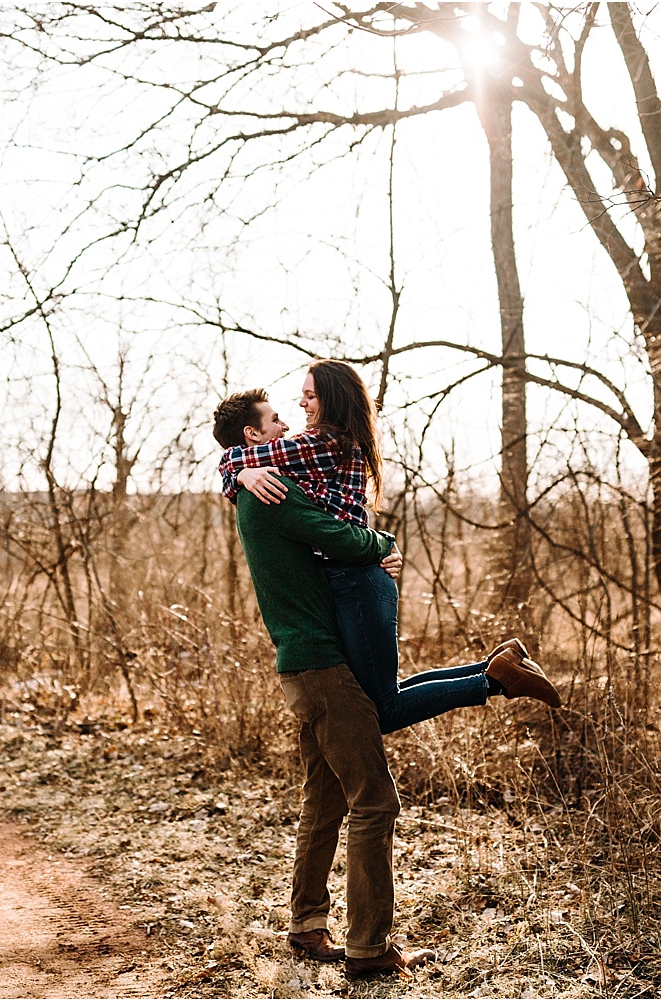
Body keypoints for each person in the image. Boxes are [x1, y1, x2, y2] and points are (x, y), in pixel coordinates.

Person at [210, 390, 435, 978]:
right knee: (374, 800)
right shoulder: (271, 494)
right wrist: (383, 547)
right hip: (322, 668)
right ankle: (369, 948)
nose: (286, 423)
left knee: (326, 798)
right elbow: (343, 537)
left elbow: (331, 544)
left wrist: (240, 465)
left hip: (305, 665)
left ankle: (307, 924)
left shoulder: (258, 481)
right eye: (275, 419)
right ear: (256, 437)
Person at [216, 361, 560, 735]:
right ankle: (496, 666)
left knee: (383, 709)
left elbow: (236, 458)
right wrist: (242, 475)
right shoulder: (326, 442)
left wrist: (238, 472)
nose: (301, 405)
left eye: (309, 396)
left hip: (356, 579)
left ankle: (495, 681)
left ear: (332, 399)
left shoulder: (324, 442)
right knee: (380, 698)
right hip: (353, 579)